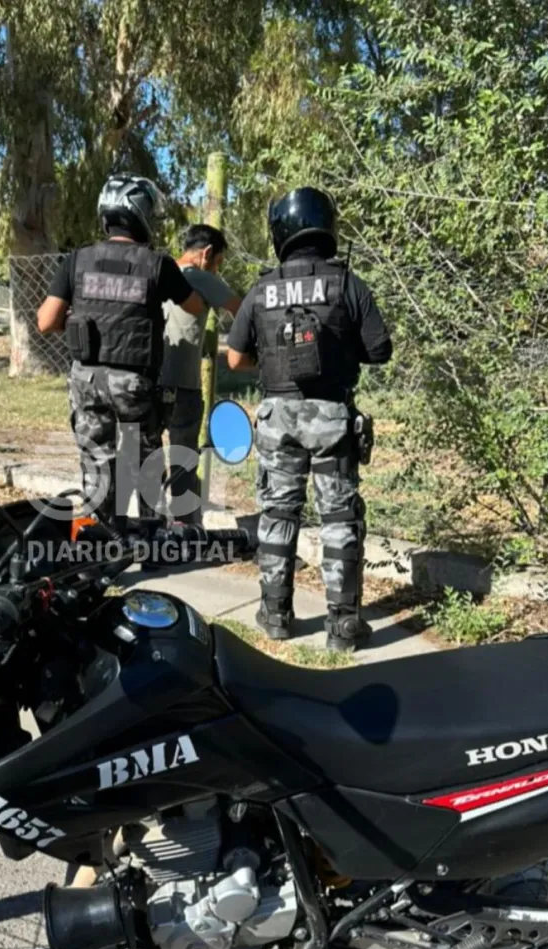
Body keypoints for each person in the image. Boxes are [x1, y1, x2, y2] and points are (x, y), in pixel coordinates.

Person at [226, 187, 392, 652]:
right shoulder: (346, 283)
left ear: (281, 231)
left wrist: (277, 358)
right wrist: (335, 350)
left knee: (279, 513)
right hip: (332, 416)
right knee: (339, 517)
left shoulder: (262, 289)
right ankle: (342, 626)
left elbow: (236, 358)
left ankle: (276, 614)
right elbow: (381, 349)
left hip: (278, 416)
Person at [37, 174, 204, 525]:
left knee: (97, 465)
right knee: (146, 462)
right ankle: (151, 547)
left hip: (87, 380)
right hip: (134, 384)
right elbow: (194, 307)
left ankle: (100, 547)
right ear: (141, 215)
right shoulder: (158, 264)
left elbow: (45, 321)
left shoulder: (77, 260)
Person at [159, 224, 241, 524]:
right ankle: (186, 529)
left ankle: (150, 528)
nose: (217, 270)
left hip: (148, 383)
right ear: (207, 254)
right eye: (218, 263)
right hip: (184, 383)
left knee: (147, 457)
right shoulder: (200, 277)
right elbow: (240, 309)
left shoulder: (157, 271)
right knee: (183, 459)